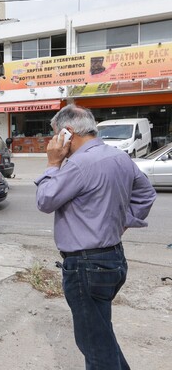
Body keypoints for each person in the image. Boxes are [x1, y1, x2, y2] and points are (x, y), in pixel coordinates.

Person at [35, 104, 156, 369]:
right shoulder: (119, 157)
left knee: (96, 349)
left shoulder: (77, 165)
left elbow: (45, 200)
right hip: (113, 259)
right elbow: (146, 194)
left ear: (67, 133)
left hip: (86, 267)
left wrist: (53, 163)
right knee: (101, 336)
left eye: (56, 135)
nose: (54, 141)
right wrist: (120, 224)